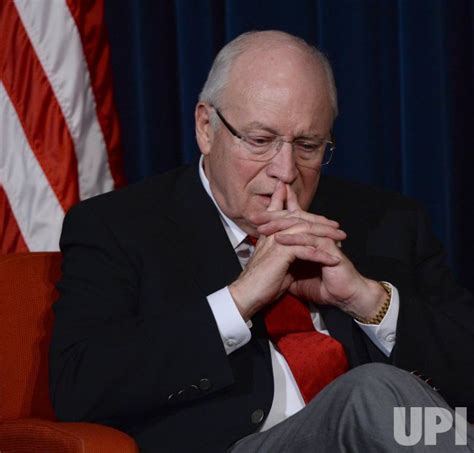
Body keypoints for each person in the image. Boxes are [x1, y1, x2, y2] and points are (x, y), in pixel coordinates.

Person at [50, 30, 474, 452]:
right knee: (371, 392)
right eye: (260, 141)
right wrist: (239, 299)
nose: (285, 170)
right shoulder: (118, 226)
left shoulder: (387, 222)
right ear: (206, 128)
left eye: (308, 146)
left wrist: (368, 300)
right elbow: (80, 385)